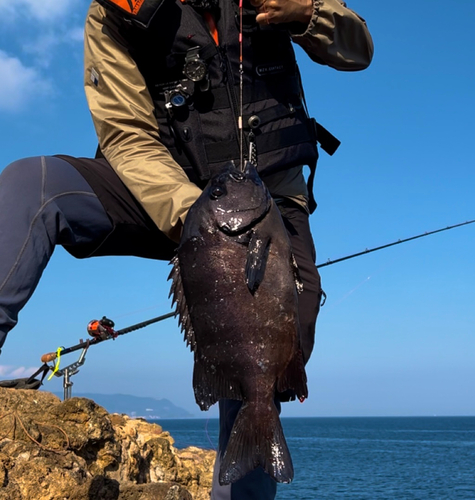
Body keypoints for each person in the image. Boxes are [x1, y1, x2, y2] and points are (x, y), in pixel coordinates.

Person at [0, 0, 372, 497]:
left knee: (264, 364)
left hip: (269, 208)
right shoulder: (112, 13)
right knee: (33, 182)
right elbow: (126, 137)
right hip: (168, 196)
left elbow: (357, 49)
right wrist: (198, 216)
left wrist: (306, 14)